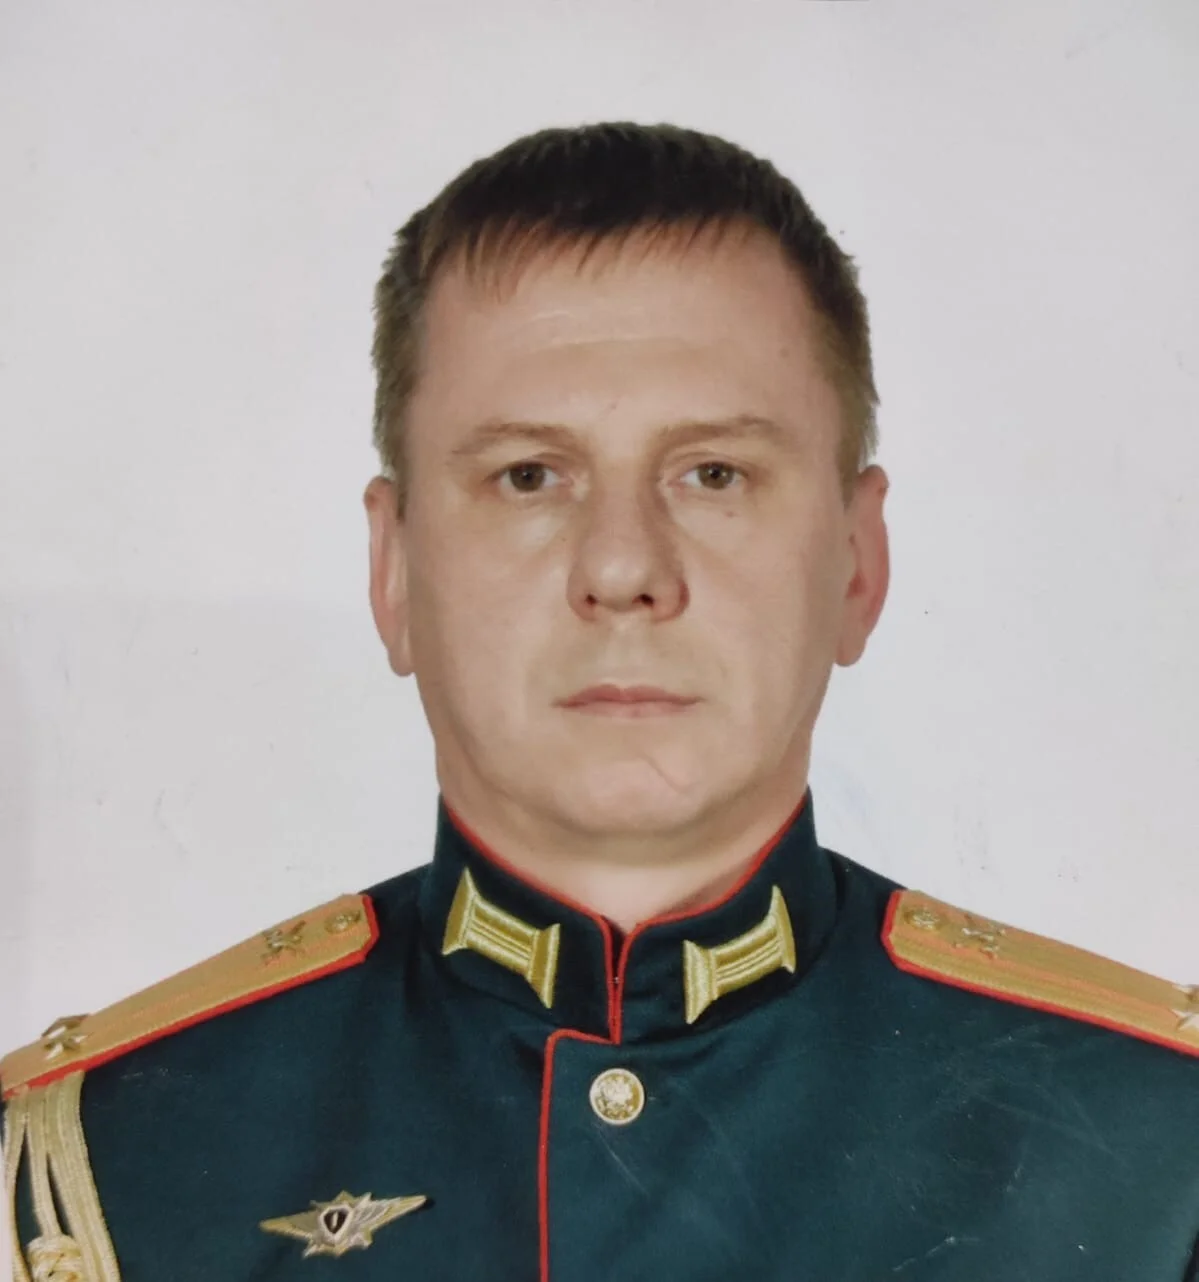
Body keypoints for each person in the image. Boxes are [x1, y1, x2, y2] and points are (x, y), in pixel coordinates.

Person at [3, 121, 1197, 1282]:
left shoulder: (1157, 1160)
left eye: (713, 473)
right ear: (394, 571)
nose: (623, 567)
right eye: (528, 475)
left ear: (855, 562)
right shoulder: (110, 1174)